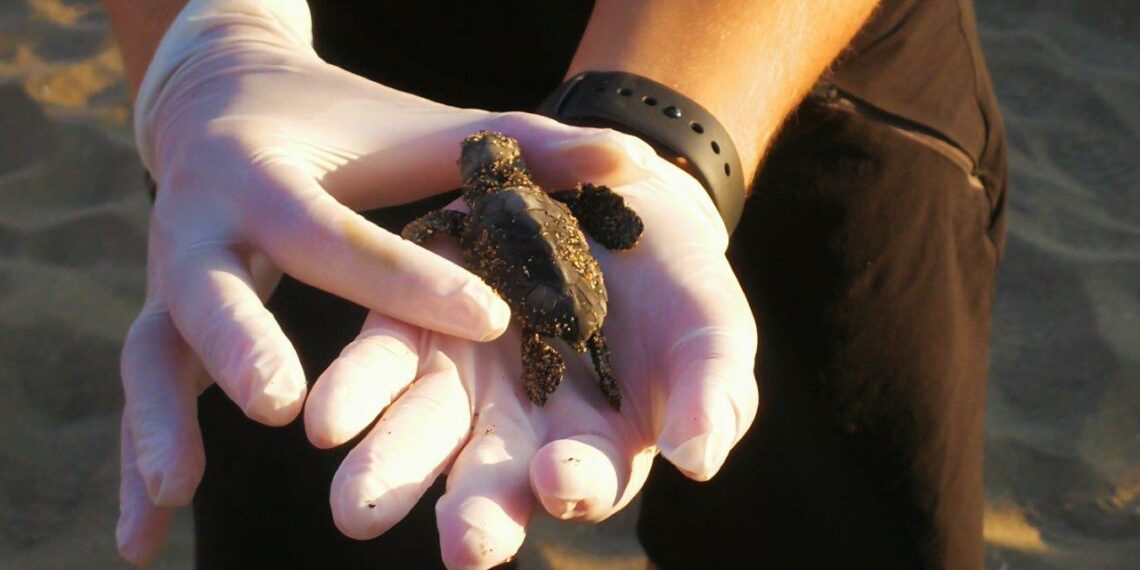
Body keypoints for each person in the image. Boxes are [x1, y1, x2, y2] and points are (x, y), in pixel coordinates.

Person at [103, 0, 1006, 568]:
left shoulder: (473, 212)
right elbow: (566, 222)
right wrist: (204, 47)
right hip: (336, 83)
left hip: (775, 47)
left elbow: (461, 226)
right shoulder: (523, 194)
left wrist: (656, 145)